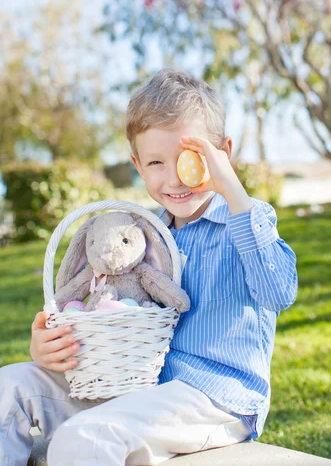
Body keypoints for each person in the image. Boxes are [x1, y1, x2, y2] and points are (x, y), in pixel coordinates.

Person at [0, 69, 298, 466]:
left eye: (190, 159)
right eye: (156, 162)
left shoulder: (246, 219)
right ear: (138, 166)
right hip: (136, 385)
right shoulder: (143, 234)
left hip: (214, 396)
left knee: (84, 439)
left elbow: (279, 292)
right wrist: (52, 346)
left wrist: (235, 193)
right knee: (9, 389)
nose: (174, 177)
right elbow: (114, 308)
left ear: (222, 155)